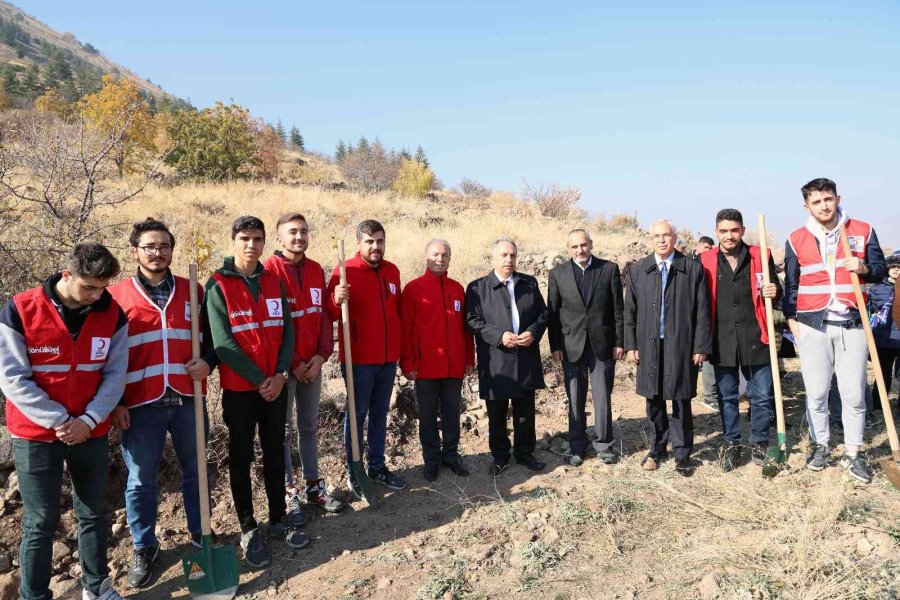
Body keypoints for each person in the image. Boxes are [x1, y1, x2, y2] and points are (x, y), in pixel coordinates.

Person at [0, 243, 128, 600]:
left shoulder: (111, 313)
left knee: (92, 512)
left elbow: (115, 375)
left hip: (91, 429)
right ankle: (34, 595)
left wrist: (87, 420)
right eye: (89, 286)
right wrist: (61, 420)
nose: (96, 295)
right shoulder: (21, 310)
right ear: (66, 274)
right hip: (36, 434)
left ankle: (96, 587)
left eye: (103, 287)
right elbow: (12, 379)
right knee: (40, 522)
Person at [108, 219, 218, 588]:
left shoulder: (192, 290)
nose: (157, 253)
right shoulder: (116, 296)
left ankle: (201, 533)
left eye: (164, 246)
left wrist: (209, 363)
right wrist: (116, 402)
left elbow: (212, 338)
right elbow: (107, 357)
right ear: (135, 249)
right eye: (149, 246)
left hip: (187, 398)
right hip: (140, 403)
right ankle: (143, 546)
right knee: (140, 480)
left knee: (195, 472)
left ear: (173, 250)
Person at [205, 215, 307, 568]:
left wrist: (279, 374)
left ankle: (278, 517)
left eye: (258, 239)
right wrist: (260, 378)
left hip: (275, 386)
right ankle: (249, 527)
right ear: (234, 240)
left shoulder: (274, 281)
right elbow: (222, 343)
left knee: (276, 450)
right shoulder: (218, 285)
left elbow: (287, 331)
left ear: (265, 243)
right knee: (241, 457)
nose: (252, 245)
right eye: (245, 238)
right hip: (240, 390)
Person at [783, 178, 885, 484]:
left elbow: (880, 271)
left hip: (852, 322)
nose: (824, 206)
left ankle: (853, 453)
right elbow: (791, 284)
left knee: (854, 394)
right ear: (807, 206)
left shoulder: (862, 230)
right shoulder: (795, 238)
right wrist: (791, 318)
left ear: (837, 198)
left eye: (828, 199)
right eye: (816, 202)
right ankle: (821, 446)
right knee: (816, 393)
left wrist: (864, 268)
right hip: (813, 325)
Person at [263, 213, 345, 515]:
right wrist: (293, 363)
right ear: (279, 238)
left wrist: (322, 356)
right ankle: (289, 493)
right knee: (282, 430)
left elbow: (322, 315)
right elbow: (273, 325)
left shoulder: (315, 270)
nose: (299, 237)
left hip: (313, 364)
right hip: (285, 369)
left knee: (308, 427)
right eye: (292, 232)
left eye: (303, 232)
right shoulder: (268, 271)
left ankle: (314, 487)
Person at [327, 219, 407, 499]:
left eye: (380, 241)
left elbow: (396, 312)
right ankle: (355, 470)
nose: (376, 246)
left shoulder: (392, 271)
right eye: (370, 241)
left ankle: (377, 466)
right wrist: (336, 299)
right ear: (359, 243)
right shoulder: (344, 272)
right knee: (357, 414)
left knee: (380, 413)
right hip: (359, 359)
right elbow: (330, 315)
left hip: (388, 358)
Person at [624, 220, 711, 475]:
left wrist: (700, 345)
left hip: (681, 345)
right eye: (656, 236)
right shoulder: (639, 270)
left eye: (666, 235)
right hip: (649, 345)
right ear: (650, 239)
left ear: (675, 238)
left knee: (681, 399)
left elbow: (703, 311)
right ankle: (657, 448)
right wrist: (631, 344)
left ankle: (683, 454)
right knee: (654, 399)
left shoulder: (692, 269)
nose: (661, 240)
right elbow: (630, 311)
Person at [699, 209, 782, 471]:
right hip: (721, 338)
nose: (729, 235)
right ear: (716, 232)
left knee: (761, 396)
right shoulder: (705, 260)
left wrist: (774, 290)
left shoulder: (760, 255)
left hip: (756, 336)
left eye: (734, 230)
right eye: (723, 231)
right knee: (727, 397)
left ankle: (759, 442)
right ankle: (731, 443)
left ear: (743, 230)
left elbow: (777, 289)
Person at [466, 237, 549, 476]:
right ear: (493, 257)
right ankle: (500, 456)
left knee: (525, 409)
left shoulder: (529, 283)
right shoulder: (477, 287)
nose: (509, 260)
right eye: (504, 255)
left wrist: (533, 333)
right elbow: (473, 321)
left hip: (525, 356)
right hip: (496, 359)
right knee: (497, 411)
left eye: (512, 255)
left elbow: (543, 315)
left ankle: (525, 453)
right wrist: (498, 335)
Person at [547, 229, 624, 467]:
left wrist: (619, 342)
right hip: (571, 346)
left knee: (602, 396)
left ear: (591, 244)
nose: (580, 250)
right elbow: (553, 314)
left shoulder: (608, 269)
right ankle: (577, 445)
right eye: (574, 247)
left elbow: (617, 310)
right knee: (575, 398)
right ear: (568, 249)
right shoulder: (557, 274)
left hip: (602, 345)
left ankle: (604, 445)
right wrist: (555, 346)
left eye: (583, 245)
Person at [400, 239, 475, 481]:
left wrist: (469, 358)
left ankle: (451, 456)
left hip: (454, 366)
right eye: (435, 254)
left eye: (444, 255)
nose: (440, 259)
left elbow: (466, 329)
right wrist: (408, 363)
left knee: (453, 413)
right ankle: (431, 459)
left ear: (450, 258)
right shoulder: (413, 289)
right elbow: (406, 329)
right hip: (425, 367)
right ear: (426, 257)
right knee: (428, 416)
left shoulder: (457, 289)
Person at [868, 250, 900, 413]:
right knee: (882, 373)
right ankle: (878, 403)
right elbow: (871, 311)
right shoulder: (876, 288)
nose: (896, 269)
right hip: (883, 338)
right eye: (893, 266)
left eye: (899, 267)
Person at [693, 236, 719, 412]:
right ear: (698, 246)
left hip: (712, 313)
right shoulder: (691, 265)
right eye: (706, 247)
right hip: (699, 318)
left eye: (711, 247)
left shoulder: (711, 263)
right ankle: (710, 396)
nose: (709, 250)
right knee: (707, 359)